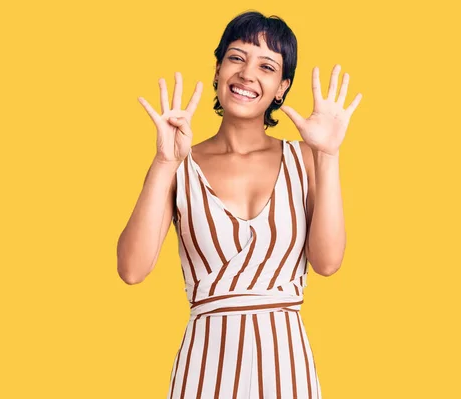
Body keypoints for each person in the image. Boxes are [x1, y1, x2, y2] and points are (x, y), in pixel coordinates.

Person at [117, 10, 361, 399]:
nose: (247, 74)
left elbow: (328, 263)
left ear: (281, 88)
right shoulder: (180, 164)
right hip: (204, 370)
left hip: (288, 371)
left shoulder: (306, 160)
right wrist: (164, 162)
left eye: (266, 66)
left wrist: (328, 155)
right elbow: (131, 269)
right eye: (236, 57)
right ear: (217, 70)